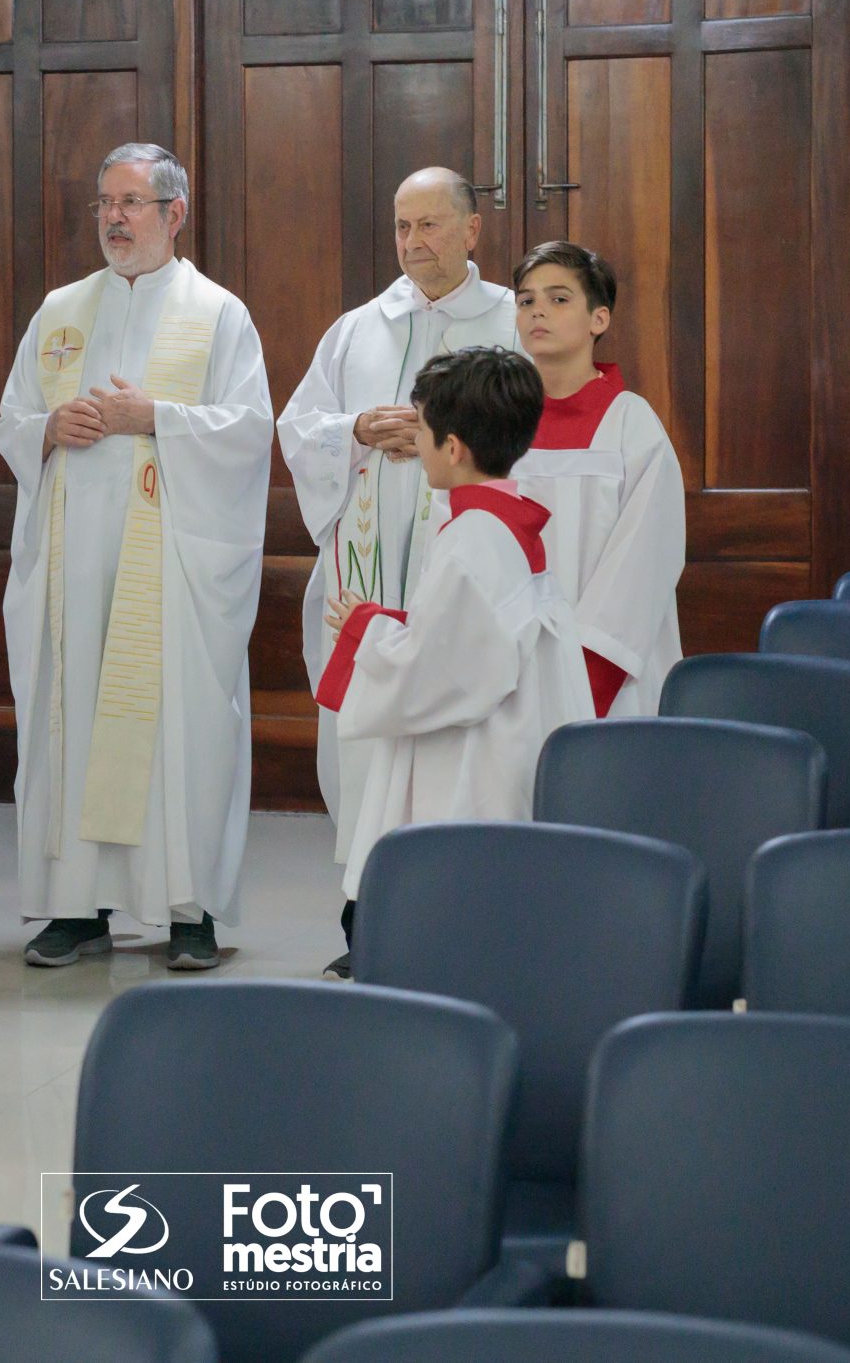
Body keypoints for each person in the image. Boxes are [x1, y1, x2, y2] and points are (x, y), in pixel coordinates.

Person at [0, 143, 272, 970]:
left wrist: (158, 417)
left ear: (174, 214)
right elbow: (11, 417)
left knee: (179, 726)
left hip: (173, 566)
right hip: (75, 563)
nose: (114, 217)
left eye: (132, 203)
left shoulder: (219, 314)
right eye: (104, 202)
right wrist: (49, 429)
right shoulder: (60, 311)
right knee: (74, 718)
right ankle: (78, 907)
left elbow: (249, 429)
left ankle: (190, 911)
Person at [276, 166, 518, 909]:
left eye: (430, 225)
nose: (412, 243)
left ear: (472, 230)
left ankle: (448, 906)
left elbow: (533, 438)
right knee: (365, 735)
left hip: (457, 570)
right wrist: (354, 429)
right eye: (402, 226)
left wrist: (444, 439)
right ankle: (365, 906)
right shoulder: (357, 329)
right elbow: (296, 426)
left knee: (446, 733)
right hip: (369, 574)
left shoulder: (511, 322)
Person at [317, 345, 586, 937]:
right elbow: (468, 636)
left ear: (454, 448)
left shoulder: (473, 538)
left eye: (423, 431)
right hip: (500, 739)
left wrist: (366, 629)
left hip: (470, 762)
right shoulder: (501, 521)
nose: (417, 445)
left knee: (448, 916)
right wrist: (395, 623)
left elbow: (439, 674)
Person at [509, 242, 686, 717]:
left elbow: (645, 557)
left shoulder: (632, 425)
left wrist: (589, 672)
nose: (537, 311)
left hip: (608, 677)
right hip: (510, 668)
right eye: (526, 301)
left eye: (559, 298)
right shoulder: (499, 428)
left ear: (599, 320)